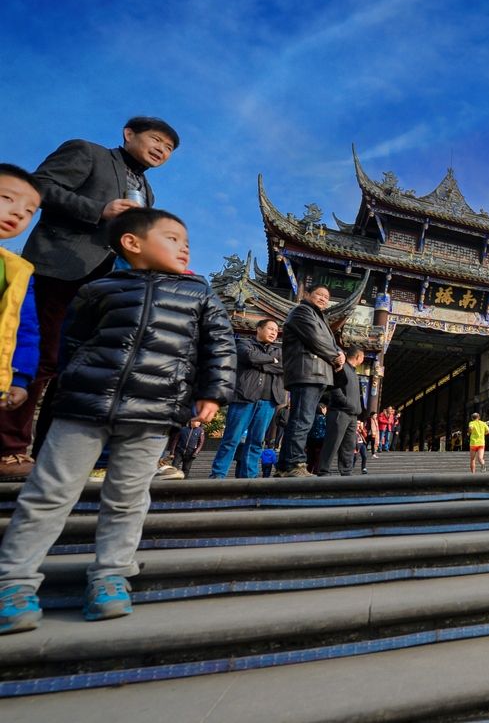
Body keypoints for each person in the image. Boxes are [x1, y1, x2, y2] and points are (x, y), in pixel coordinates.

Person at [0, 207, 235, 633]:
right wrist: (71, 383)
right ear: (131, 242)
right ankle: (13, 580)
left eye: (186, 242)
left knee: (128, 497)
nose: (184, 247)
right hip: (83, 407)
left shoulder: (200, 295)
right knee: (49, 492)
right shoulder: (98, 289)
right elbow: (73, 341)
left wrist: (212, 393)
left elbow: (219, 347)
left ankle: (111, 574)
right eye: (172, 238)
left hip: (154, 410)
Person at [0, 120, 180, 481]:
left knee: (76, 369)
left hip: (104, 286)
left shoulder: (148, 192)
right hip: (60, 269)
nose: (161, 150)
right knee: (38, 359)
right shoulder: (88, 152)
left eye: (168, 148)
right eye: (156, 140)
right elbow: (40, 187)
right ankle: (9, 449)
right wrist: (100, 209)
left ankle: (51, 454)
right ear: (129, 134)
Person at [278, 286, 344, 478]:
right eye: (319, 294)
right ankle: (294, 463)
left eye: (326, 297)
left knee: (302, 419)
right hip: (307, 371)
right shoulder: (302, 311)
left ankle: (285, 465)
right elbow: (316, 338)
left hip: (315, 373)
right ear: (307, 295)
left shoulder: (318, 316)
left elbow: (327, 341)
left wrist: (337, 352)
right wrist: (335, 355)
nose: (323, 299)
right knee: (302, 419)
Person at [208, 318, 285, 479]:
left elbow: (284, 367)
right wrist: (272, 361)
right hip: (244, 397)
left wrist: (262, 361)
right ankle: (218, 475)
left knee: (256, 441)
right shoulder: (243, 344)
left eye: (276, 330)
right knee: (231, 438)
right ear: (259, 329)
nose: (274, 332)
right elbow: (249, 357)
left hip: (268, 400)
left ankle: (249, 477)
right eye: (270, 328)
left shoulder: (279, 351)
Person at [0, 165, 42, 451]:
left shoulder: (18, 271)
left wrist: (20, 377)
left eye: (29, 211)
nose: (18, 213)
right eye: (7, 199)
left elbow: (26, 329)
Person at [318, 347, 365, 476]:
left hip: (352, 415)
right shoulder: (341, 367)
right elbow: (335, 389)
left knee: (349, 445)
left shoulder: (354, 373)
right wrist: (347, 403)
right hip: (340, 412)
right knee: (332, 443)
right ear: (358, 357)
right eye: (363, 357)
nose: (363, 359)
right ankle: (323, 470)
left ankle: (346, 471)